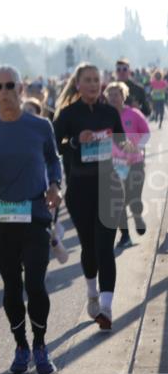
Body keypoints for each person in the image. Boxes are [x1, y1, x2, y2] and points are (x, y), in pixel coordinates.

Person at [0, 65, 62, 374]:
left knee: (35, 283)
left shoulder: (41, 125)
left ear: (21, 89)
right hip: (2, 219)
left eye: (10, 86)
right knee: (11, 286)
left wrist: (55, 185)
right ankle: (21, 345)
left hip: (35, 215)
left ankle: (41, 344)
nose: (4, 92)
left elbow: (53, 159)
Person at [53, 63, 131, 330]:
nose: (93, 84)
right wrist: (76, 141)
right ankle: (92, 294)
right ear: (78, 84)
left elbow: (122, 142)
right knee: (89, 247)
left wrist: (123, 145)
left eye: (96, 79)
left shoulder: (109, 112)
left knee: (105, 248)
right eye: (87, 80)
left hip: (109, 186)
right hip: (80, 190)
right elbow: (54, 145)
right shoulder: (68, 114)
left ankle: (107, 309)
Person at [105, 81, 150, 249]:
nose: (113, 98)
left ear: (123, 96)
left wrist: (136, 147)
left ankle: (137, 215)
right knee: (118, 202)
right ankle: (125, 236)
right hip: (115, 166)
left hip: (135, 163)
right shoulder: (105, 117)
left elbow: (146, 134)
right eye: (110, 95)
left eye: (116, 94)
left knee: (133, 197)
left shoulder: (134, 114)